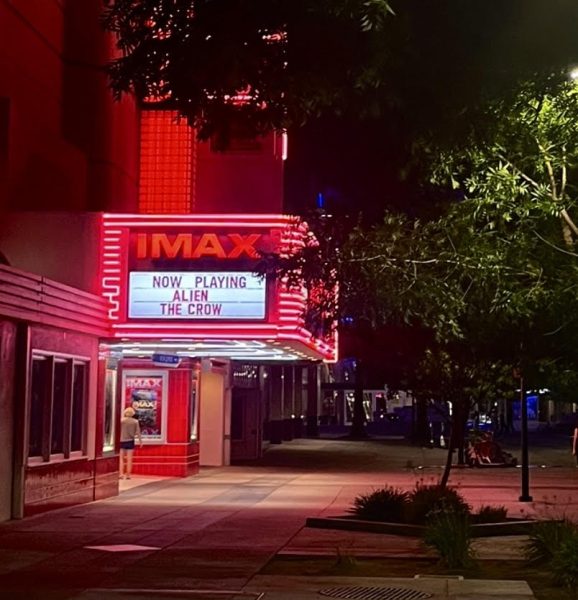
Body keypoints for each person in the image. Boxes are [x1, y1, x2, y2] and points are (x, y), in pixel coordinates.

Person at [120, 407, 142, 479]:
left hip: (121, 441)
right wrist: (140, 441)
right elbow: (138, 432)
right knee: (129, 459)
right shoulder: (135, 421)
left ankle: (121, 474)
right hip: (130, 441)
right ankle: (128, 475)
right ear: (133, 413)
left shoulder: (122, 421)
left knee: (121, 459)